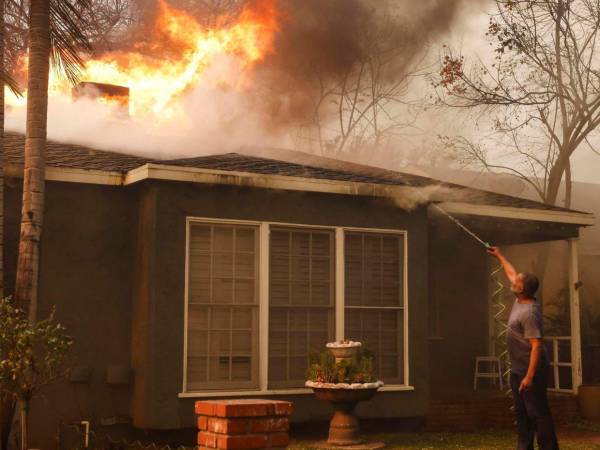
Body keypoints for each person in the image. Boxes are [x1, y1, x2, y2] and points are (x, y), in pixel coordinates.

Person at [487, 246, 559, 450]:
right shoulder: (521, 298)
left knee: (538, 412)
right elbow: (511, 273)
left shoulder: (529, 313)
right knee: (522, 413)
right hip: (519, 368)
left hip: (531, 370)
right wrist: (500, 255)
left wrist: (529, 376)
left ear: (521, 289)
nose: (513, 280)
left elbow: (536, 346)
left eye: (517, 282)